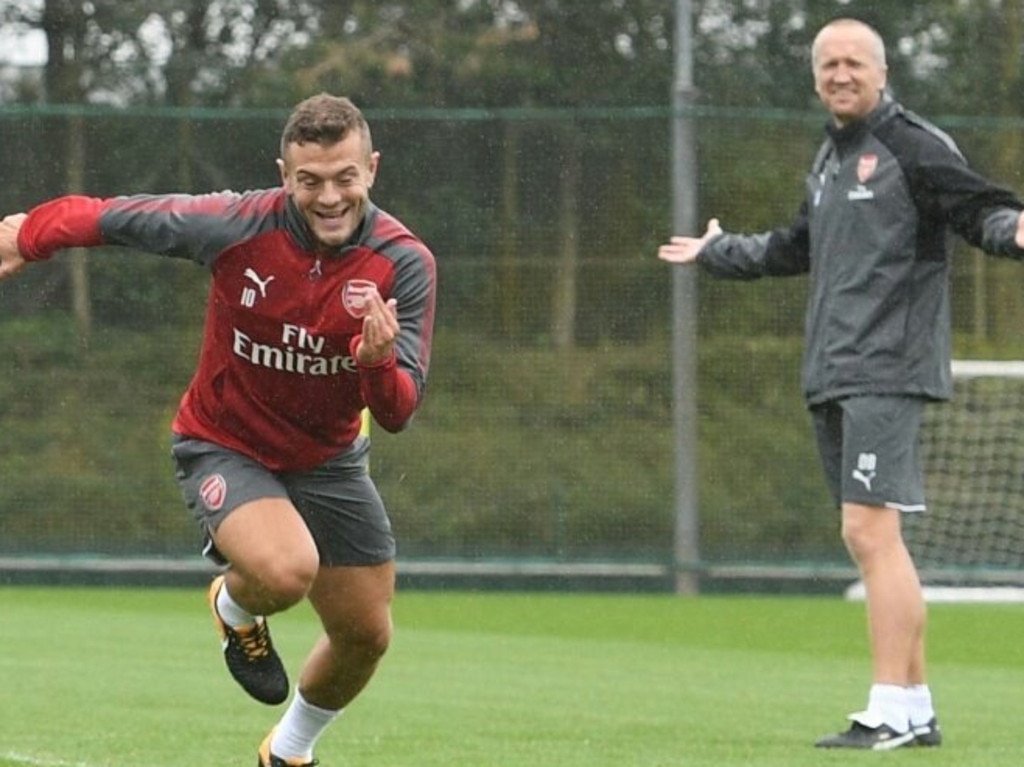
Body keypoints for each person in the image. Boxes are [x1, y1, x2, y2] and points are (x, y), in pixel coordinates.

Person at [0, 93, 437, 767]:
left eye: (344, 177)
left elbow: (401, 409)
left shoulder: (403, 263)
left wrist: (376, 364)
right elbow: (121, 218)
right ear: (283, 174)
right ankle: (235, 607)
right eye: (309, 180)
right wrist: (29, 233)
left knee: (365, 635)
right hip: (225, 444)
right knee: (286, 569)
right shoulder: (236, 224)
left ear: (371, 169)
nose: (328, 196)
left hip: (330, 460)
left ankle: (287, 753)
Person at [658, 17, 1024, 751]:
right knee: (871, 537)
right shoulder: (830, 158)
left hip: (886, 366)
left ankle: (887, 707)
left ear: (882, 72)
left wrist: (1012, 228)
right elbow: (797, 244)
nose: (841, 74)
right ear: (817, 77)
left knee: (868, 530)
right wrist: (717, 250)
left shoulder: (912, 145)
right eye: (829, 65)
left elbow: (978, 208)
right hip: (834, 368)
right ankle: (914, 705)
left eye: (855, 62)